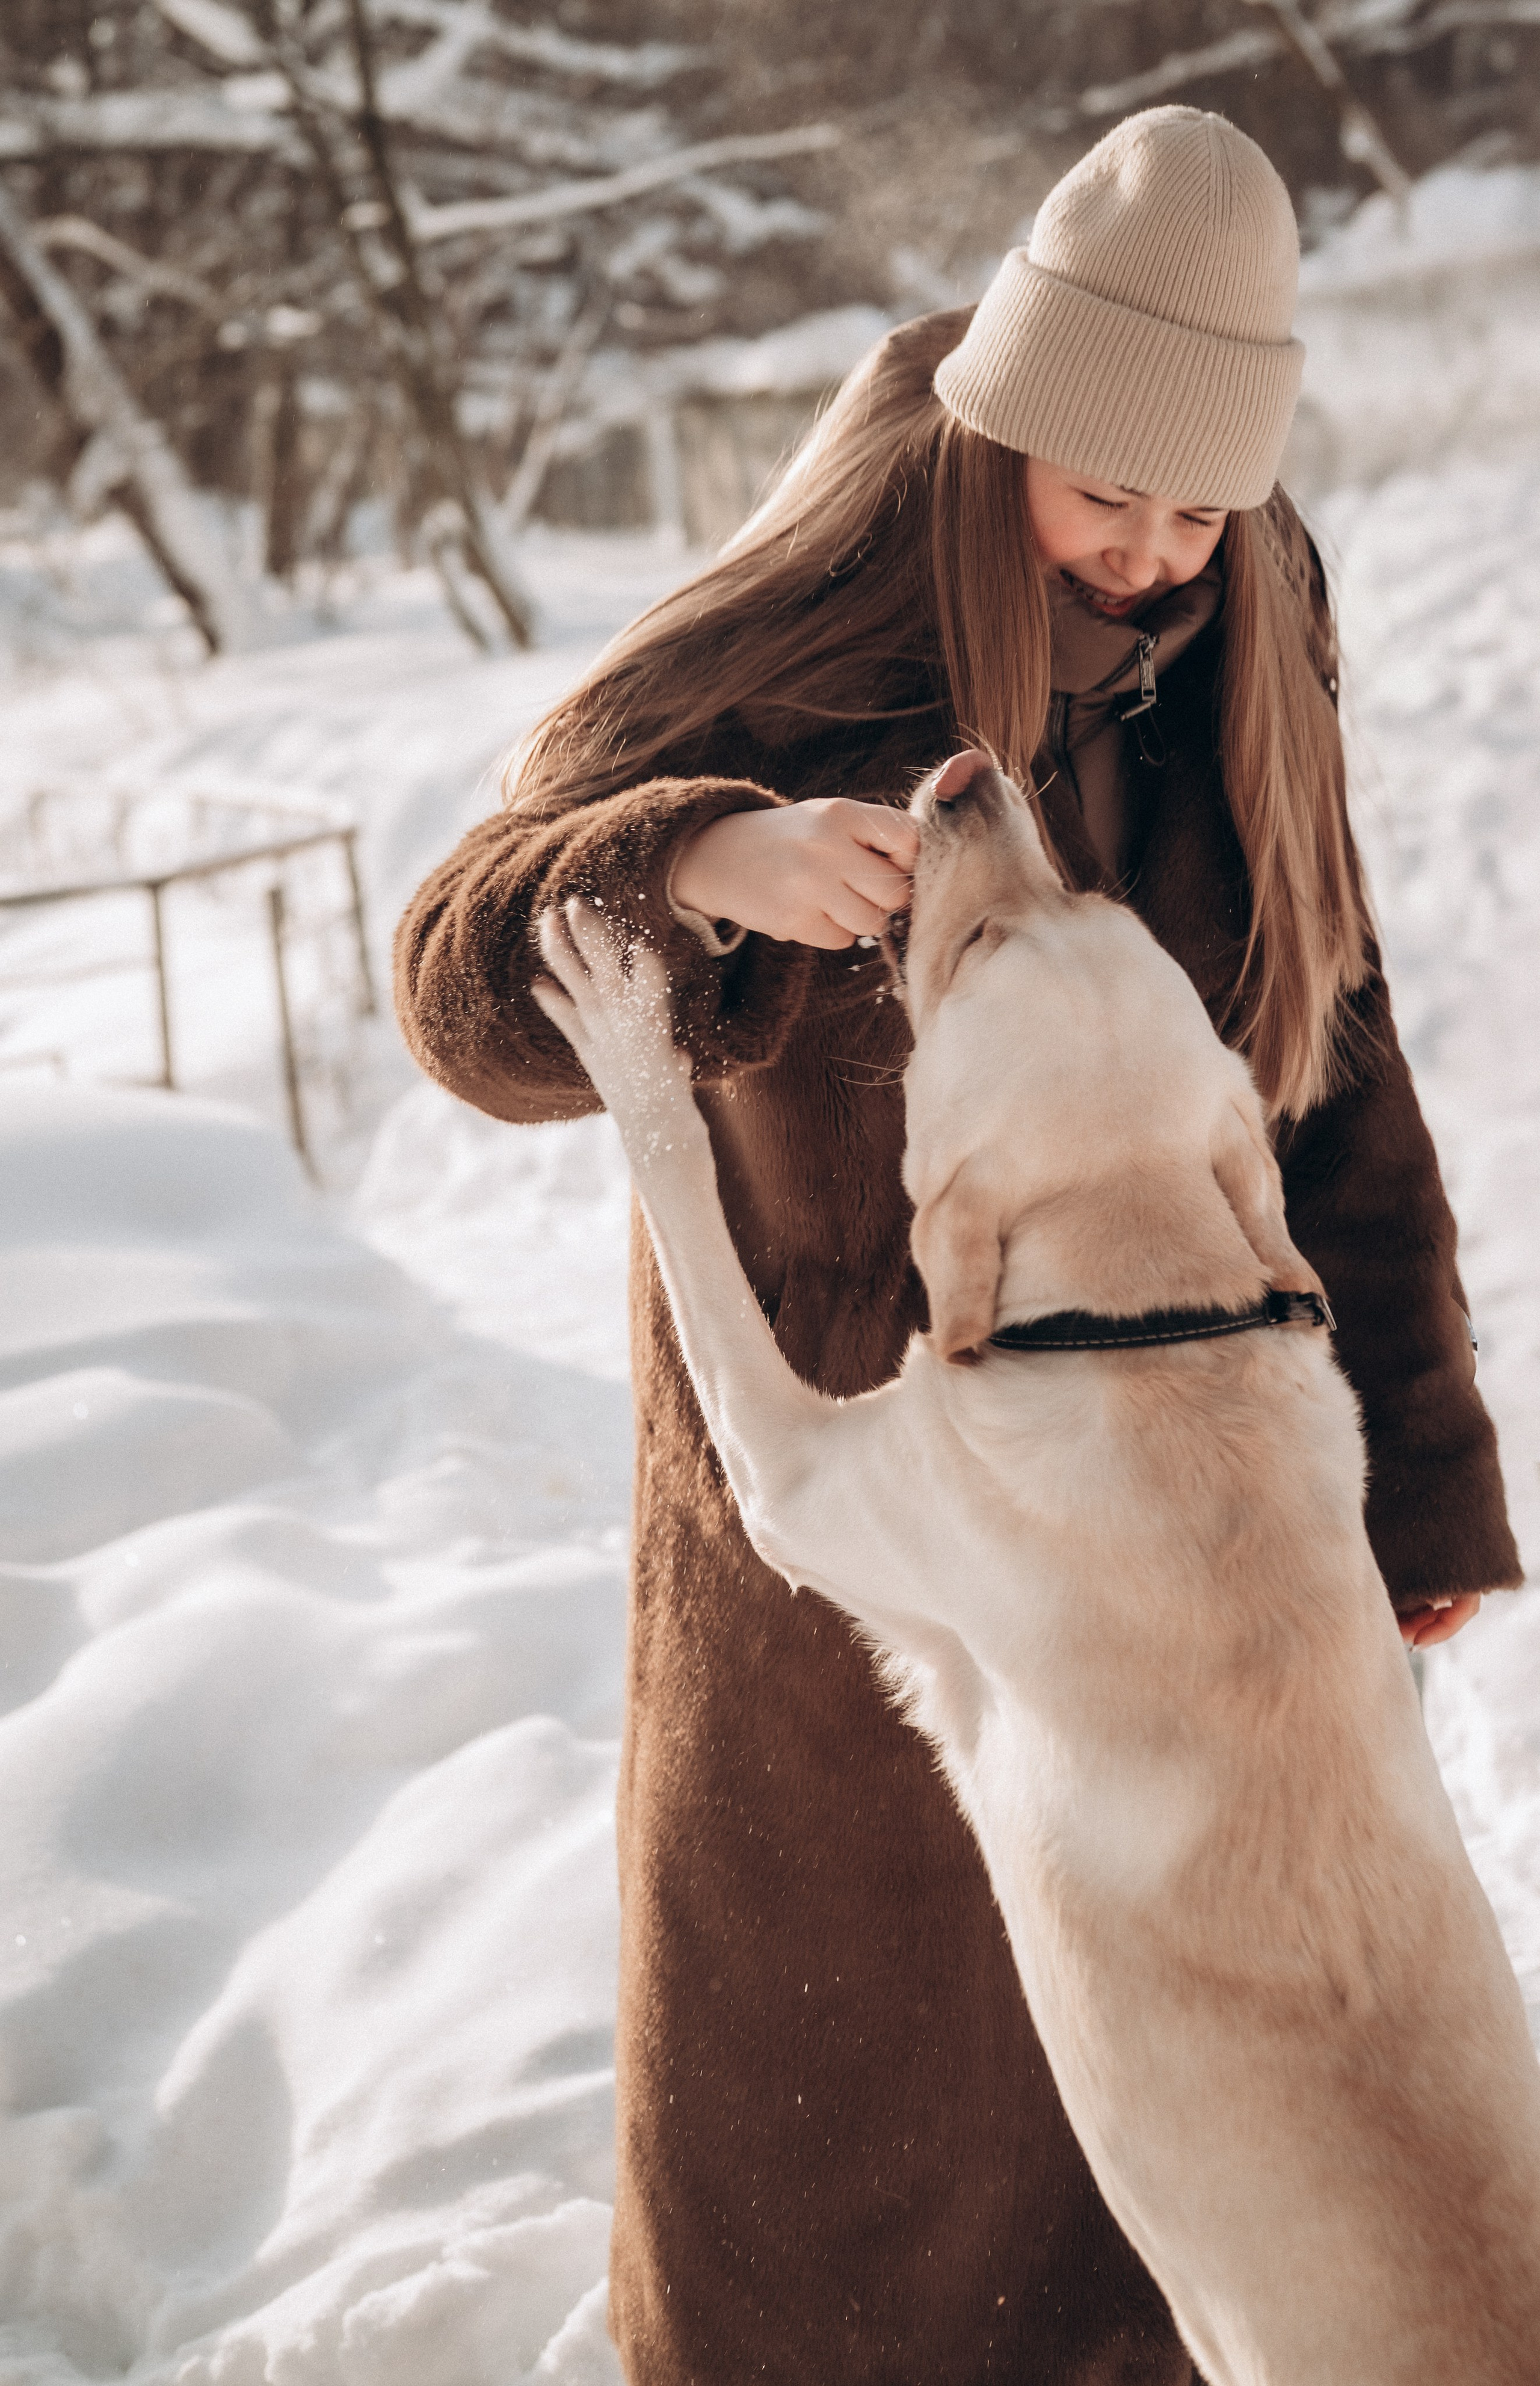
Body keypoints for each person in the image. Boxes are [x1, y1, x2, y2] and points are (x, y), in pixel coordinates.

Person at [395, 106, 1520, 2386]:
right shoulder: (811, 627)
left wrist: (1409, 1470)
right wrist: (696, 856)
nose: (1152, 551)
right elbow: (457, 977)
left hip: (1172, 1561)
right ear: (1002, 417)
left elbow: (1335, 1070)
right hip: (851, 1522)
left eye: (1205, 505)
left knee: (1173, 2150)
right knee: (846, 2168)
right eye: (1107, 491)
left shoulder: (1240, 629)